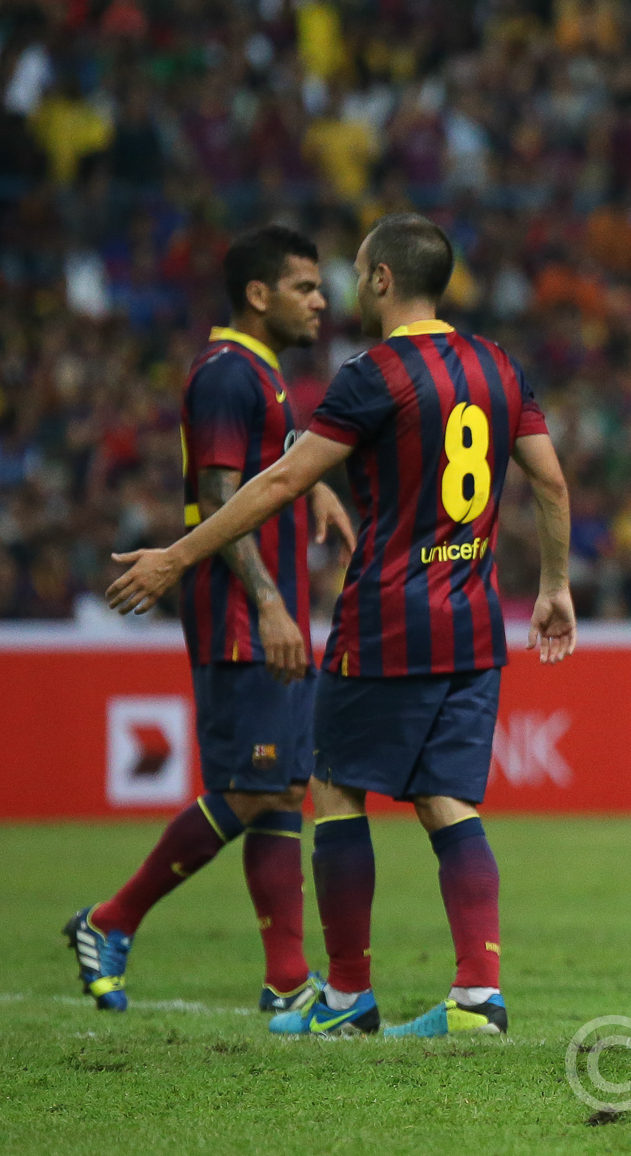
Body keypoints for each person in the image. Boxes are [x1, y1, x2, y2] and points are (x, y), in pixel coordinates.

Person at [105, 212, 577, 1039]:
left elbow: (280, 480)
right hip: (473, 624)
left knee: (334, 786)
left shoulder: (373, 372)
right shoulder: (499, 364)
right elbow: (551, 481)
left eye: (356, 275)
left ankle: (348, 993)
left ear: (385, 279)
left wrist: (177, 558)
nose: (348, 291)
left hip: (388, 618)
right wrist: (557, 585)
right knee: (448, 801)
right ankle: (478, 997)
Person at [64, 226, 356, 1015]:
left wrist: (313, 481)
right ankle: (108, 919)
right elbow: (222, 496)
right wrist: (266, 602)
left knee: (283, 784)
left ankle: (289, 982)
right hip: (241, 608)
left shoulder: (257, 374)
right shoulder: (228, 373)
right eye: (305, 286)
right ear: (259, 295)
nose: (322, 301)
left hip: (270, 604)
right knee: (255, 788)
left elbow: (269, 461)